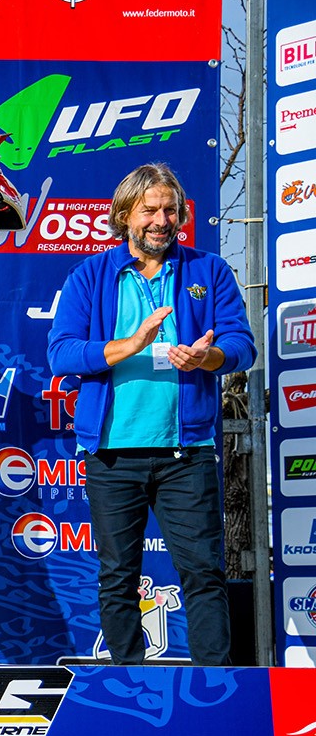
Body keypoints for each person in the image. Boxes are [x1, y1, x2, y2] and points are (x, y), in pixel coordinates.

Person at [47, 163, 254, 665]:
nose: (162, 221)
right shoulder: (91, 275)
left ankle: (214, 685)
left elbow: (241, 346)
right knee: (118, 576)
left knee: (204, 573)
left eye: (170, 210)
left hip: (187, 455)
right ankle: (127, 680)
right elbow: (62, 353)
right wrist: (130, 344)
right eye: (150, 210)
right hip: (112, 457)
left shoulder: (209, 270)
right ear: (125, 215)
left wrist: (207, 357)